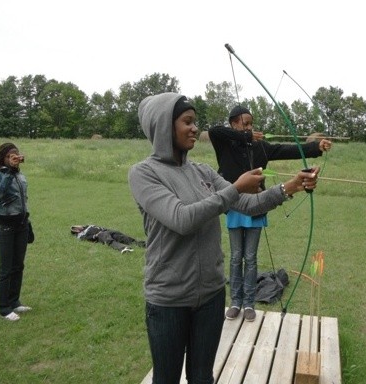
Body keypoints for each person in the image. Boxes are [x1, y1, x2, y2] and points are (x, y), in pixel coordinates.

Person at [128, 93, 319, 384]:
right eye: (187, 121)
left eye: (195, 122)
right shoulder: (144, 173)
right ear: (163, 126)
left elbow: (247, 204)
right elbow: (182, 219)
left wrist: (289, 186)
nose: (195, 128)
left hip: (211, 294)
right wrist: (234, 188)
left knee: (203, 376)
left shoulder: (202, 171)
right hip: (168, 299)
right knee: (165, 378)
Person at [208, 105, 332, 322]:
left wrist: (316, 147)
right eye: (244, 123)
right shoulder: (225, 144)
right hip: (235, 207)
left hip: (257, 205)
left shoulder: (260, 148)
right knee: (236, 258)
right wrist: (245, 136)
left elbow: (288, 149)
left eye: (251, 123)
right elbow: (213, 131)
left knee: (251, 258)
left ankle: (248, 303)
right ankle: (235, 302)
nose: (249, 127)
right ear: (234, 124)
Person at [0, 143, 32, 321]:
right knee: (5, 269)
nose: (14, 158)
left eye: (16, 155)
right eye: (10, 156)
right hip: (5, 227)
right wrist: (8, 172)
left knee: (18, 266)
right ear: (3, 158)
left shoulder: (20, 175)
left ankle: (14, 301)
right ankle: (4, 308)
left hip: (21, 225)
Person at [70, 224, 146, 253]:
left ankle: (143, 244)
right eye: (74, 229)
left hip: (107, 231)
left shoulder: (87, 226)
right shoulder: (80, 235)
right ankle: (123, 248)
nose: (77, 228)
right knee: (109, 240)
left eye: (75, 226)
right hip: (100, 235)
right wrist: (96, 235)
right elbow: (87, 239)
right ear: (76, 232)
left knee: (123, 237)